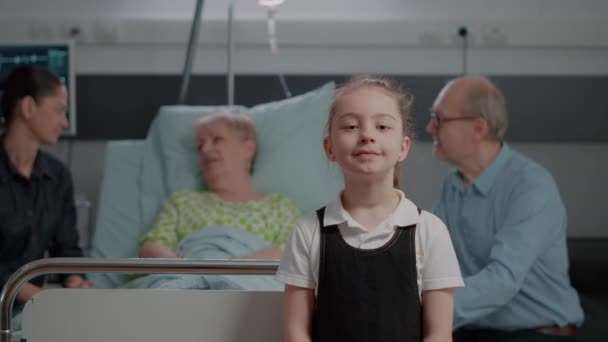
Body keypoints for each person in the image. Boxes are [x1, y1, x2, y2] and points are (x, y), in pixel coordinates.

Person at [277, 75, 464, 342]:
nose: (367, 135)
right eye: (351, 126)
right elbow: (296, 333)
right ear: (329, 148)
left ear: (403, 147)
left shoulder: (430, 231)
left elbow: (438, 335)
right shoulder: (308, 232)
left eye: (383, 126)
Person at [427, 75, 584, 341]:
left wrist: (425, 307)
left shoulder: (531, 186)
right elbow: (432, 261)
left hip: (538, 333)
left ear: (478, 128)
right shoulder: (451, 185)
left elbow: (502, 281)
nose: (430, 128)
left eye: (439, 119)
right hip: (473, 328)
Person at [139, 112, 300, 260]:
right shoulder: (182, 203)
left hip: (250, 287)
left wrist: (231, 273)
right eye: (200, 146)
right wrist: (190, 274)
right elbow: (151, 247)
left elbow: (292, 253)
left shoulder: (278, 207)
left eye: (217, 139)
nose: (206, 150)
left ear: (248, 149)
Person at [0, 65, 91, 305]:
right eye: (60, 110)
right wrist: (36, 298)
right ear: (28, 107)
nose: (65, 122)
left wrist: (74, 278)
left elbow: (68, 248)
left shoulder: (58, 176)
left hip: (31, 309)